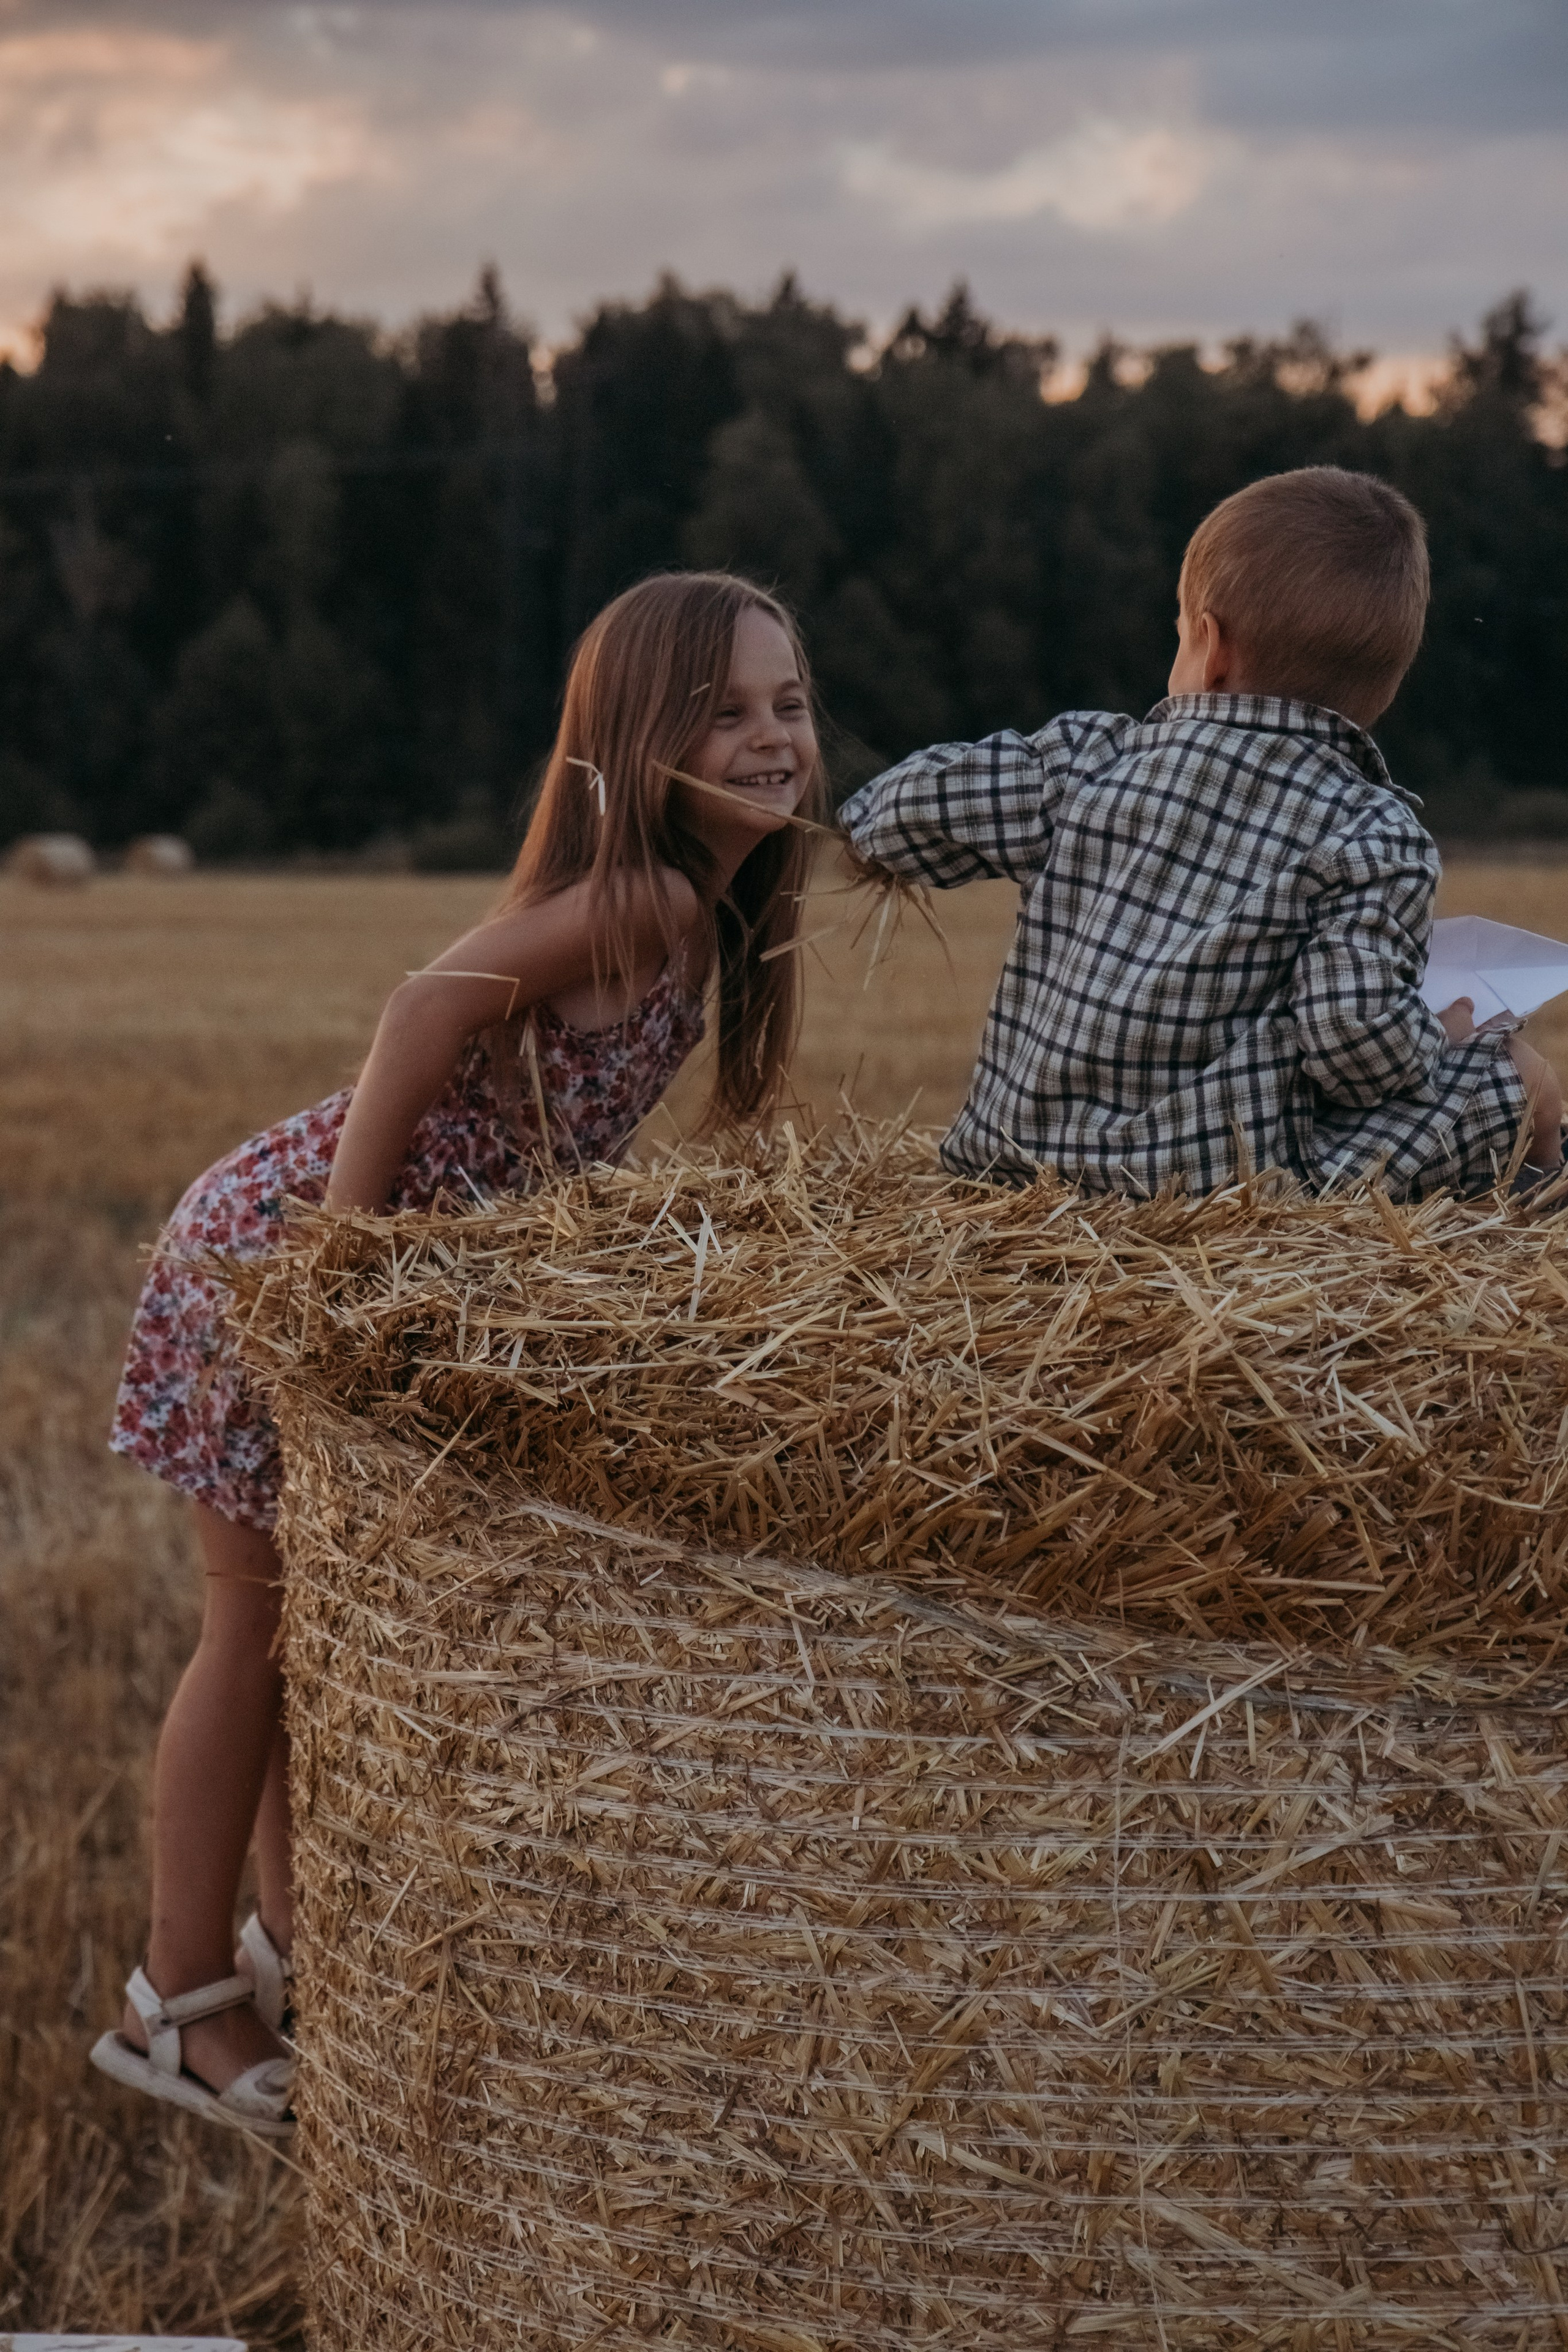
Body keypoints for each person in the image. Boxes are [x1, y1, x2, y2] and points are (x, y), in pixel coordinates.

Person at [92, 570, 825, 2135]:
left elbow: (535, 1123)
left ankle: (291, 1946)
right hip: (283, 1247)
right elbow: (421, 1012)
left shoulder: (700, 909)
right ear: (642, 739)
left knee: (305, 1621)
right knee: (251, 1625)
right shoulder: (657, 898)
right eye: (728, 710)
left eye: (791, 703)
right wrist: (342, 1269)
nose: (773, 738)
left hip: (335, 1257)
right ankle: (174, 1998)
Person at [840, 466, 1562, 1200]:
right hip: (1205, 1202)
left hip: (1010, 1168)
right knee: (1507, 1076)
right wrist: (1439, 1032)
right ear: (1385, 687)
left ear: (1209, 647)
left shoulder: (1087, 760)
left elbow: (889, 819)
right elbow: (1353, 1047)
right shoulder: (1373, 833)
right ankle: (1541, 1176)